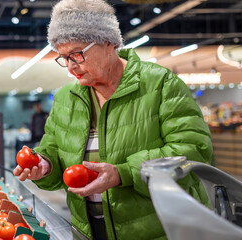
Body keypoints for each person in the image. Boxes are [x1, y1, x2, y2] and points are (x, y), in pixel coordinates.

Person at [13, 0, 213, 239]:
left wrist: (124, 173)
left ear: (108, 42)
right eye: (63, 57)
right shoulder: (66, 97)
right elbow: (54, 148)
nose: (70, 66)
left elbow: (193, 151)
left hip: (160, 229)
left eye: (76, 54)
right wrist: (45, 165)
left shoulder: (160, 84)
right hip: (89, 230)